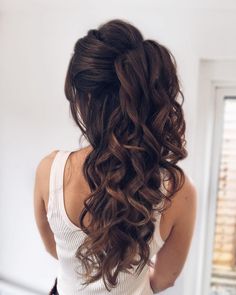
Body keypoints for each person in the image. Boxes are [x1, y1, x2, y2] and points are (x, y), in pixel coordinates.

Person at [33, 18, 197, 295]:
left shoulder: (50, 170)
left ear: (84, 101)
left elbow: (54, 248)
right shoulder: (179, 191)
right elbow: (165, 278)